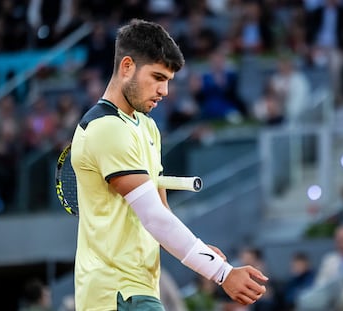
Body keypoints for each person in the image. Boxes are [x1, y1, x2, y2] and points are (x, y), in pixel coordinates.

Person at [70, 19, 268, 310]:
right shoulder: (107, 129)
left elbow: (162, 213)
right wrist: (221, 272)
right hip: (115, 293)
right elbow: (154, 217)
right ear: (127, 67)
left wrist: (200, 254)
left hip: (138, 289)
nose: (164, 91)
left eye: (168, 81)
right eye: (157, 77)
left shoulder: (147, 128)